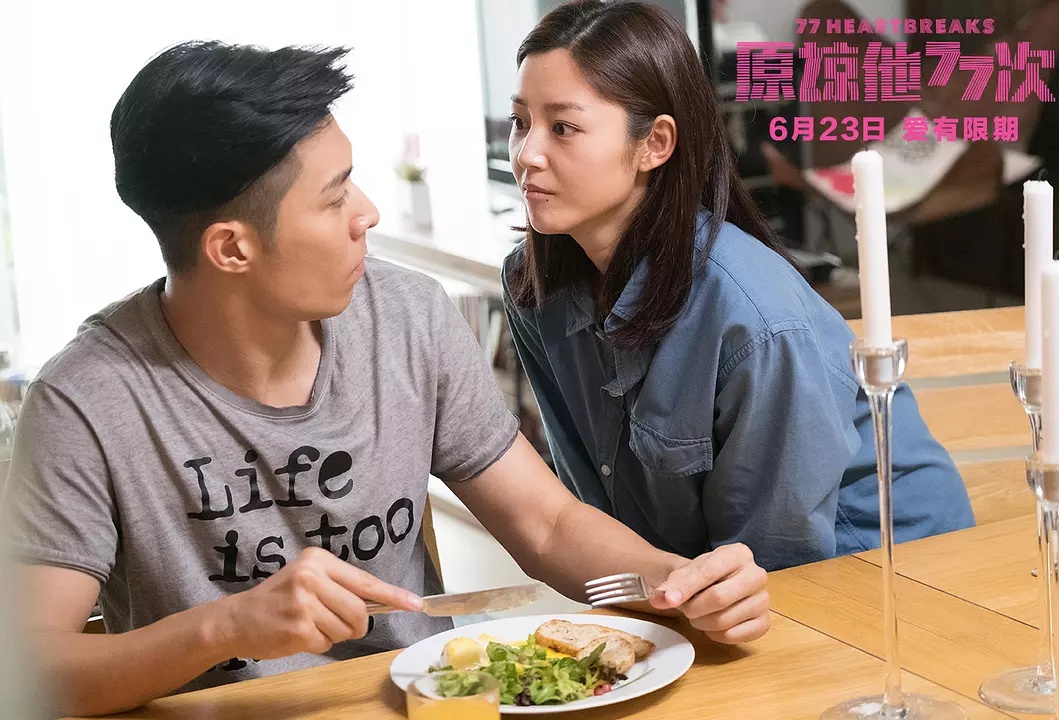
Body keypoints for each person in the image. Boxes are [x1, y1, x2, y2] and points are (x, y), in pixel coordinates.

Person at [0, 40, 771, 717]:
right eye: (335, 196)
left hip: (425, 706)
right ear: (231, 248)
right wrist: (226, 626)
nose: (366, 213)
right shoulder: (86, 400)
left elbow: (545, 524)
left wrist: (679, 581)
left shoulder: (407, 318)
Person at [501, 0, 975, 574]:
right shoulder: (534, 286)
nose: (527, 154)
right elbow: (591, 506)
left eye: (563, 127)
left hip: (884, 573)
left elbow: (779, 561)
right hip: (707, 585)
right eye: (520, 121)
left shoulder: (754, 318)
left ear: (655, 143)